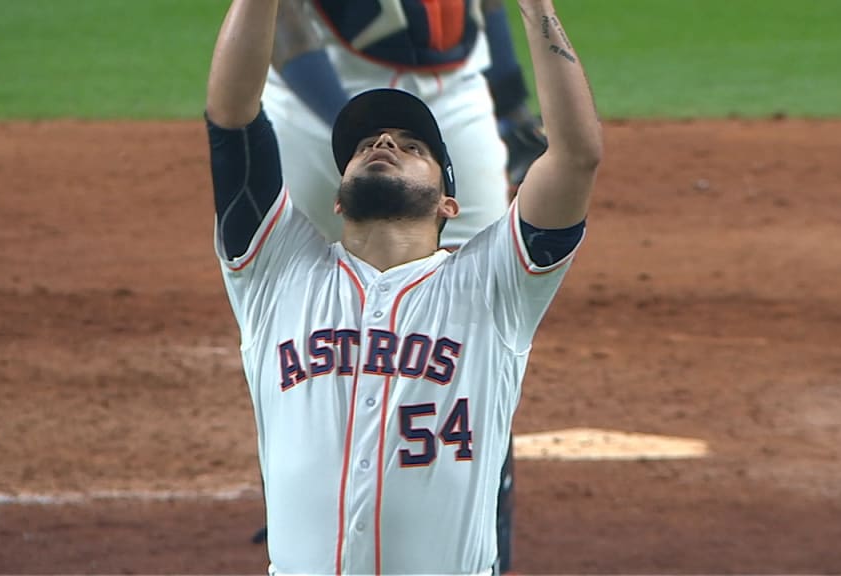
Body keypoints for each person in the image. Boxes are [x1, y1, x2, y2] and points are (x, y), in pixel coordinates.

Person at [204, 0, 601, 572]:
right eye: (366, 147)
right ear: (336, 198)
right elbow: (232, 119)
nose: (384, 144)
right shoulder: (276, 269)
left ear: (448, 204)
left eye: (411, 147)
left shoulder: (494, 287)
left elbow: (575, 156)